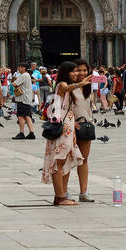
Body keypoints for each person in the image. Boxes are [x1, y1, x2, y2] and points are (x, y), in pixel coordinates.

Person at [42, 62, 85, 206]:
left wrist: (73, 126)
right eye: (73, 71)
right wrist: (81, 83)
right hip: (62, 126)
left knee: (63, 160)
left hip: (67, 125)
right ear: (65, 72)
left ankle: (60, 196)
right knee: (58, 161)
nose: (76, 74)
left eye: (76, 71)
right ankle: (60, 197)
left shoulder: (66, 87)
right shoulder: (62, 84)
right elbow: (67, 87)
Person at [68, 61, 96, 203]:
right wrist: (71, 122)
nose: (82, 73)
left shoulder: (88, 87)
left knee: (84, 160)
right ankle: (64, 191)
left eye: (85, 70)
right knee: (66, 160)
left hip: (85, 126)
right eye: (79, 70)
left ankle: (83, 191)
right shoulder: (67, 87)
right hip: (70, 127)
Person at [10, 63, 35, 139]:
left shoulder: (24, 75)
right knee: (27, 116)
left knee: (21, 116)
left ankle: (22, 133)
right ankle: (31, 133)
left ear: (24, 68)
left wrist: (14, 81)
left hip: (22, 99)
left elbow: (14, 84)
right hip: (26, 99)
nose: (19, 69)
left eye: (20, 67)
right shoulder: (27, 75)